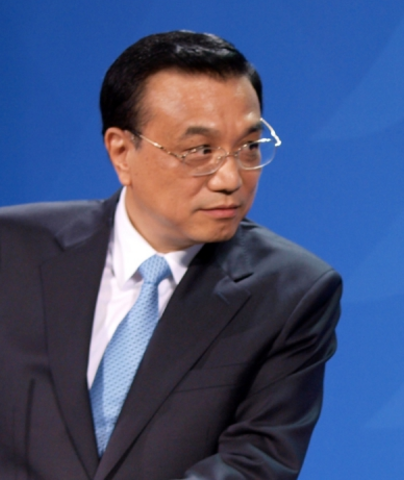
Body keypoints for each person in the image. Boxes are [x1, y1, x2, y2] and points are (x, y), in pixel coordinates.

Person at [0, 31, 343, 480]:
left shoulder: (292, 292)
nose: (230, 178)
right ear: (122, 152)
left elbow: (253, 466)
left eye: (248, 146)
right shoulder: (13, 251)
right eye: (200, 151)